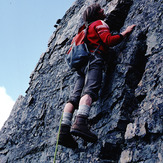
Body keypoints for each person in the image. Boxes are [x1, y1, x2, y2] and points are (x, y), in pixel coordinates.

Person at [58, 4, 136, 148]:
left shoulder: (81, 32)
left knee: (74, 98)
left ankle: (63, 132)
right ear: (96, 13)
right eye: (100, 9)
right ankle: (80, 122)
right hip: (94, 59)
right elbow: (109, 40)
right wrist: (125, 33)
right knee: (90, 90)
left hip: (80, 66)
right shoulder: (99, 23)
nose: (103, 10)